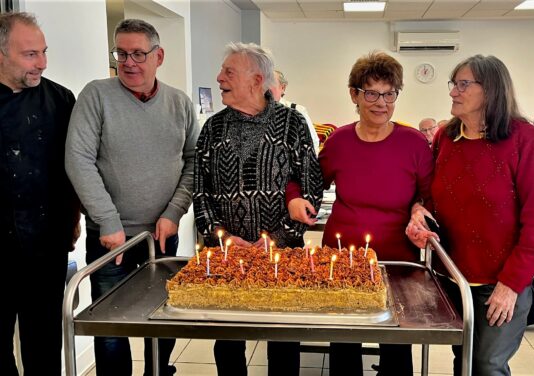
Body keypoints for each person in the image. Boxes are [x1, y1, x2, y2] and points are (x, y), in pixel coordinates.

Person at [65, 19, 199, 376]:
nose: (128, 62)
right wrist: (108, 221)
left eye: (138, 53)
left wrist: (174, 211)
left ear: (159, 56)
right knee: (111, 325)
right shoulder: (97, 95)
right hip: (111, 239)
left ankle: (159, 370)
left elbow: (194, 161)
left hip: (162, 233)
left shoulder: (179, 103)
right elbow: (78, 159)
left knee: (164, 316)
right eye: (121, 53)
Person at [290, 51, 433, 376]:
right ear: (354, 94)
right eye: (371, 93)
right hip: (343, 257)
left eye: (389, 93)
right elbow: (309, 182)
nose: (381, 102)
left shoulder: (413, 143)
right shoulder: (339, 141)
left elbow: (430, 196)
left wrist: (419, 208)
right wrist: (295, 197)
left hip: (398, 259)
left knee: (397, 342)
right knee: (344, 338)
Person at [406, 55, 534, 375]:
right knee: (464, 360)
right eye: (453, 84)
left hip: (500, 281)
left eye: (463, 84)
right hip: (452, 277)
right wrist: (419, 215)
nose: (453, 92)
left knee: (487, 365)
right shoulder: (446, 137)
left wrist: (511, 285)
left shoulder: (523, 139)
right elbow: (430, 196)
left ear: (492, 89)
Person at [194, 42, 323, 376]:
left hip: (281, 256)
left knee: (282, 337)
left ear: (255, 80)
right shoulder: (212, 128)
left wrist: (278, 240)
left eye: (228, 72)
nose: (219, 77)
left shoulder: (292, 124)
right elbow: (200, 190)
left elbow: (311, 187)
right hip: (226, 255)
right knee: (228, 340)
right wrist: (222, 239)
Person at [0, 12, 80, 376]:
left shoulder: (61, 100)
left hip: (46, 243)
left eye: (43, 52)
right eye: (31, 54)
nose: (43, 63)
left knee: (44, 344)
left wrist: (75, 215)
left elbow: (75, 167)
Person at [269, 69, 320, 153]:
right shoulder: (252, 112)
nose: (266, 88)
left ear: (283, 87)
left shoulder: (297, 110)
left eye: (271, 83)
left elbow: (313, 143)